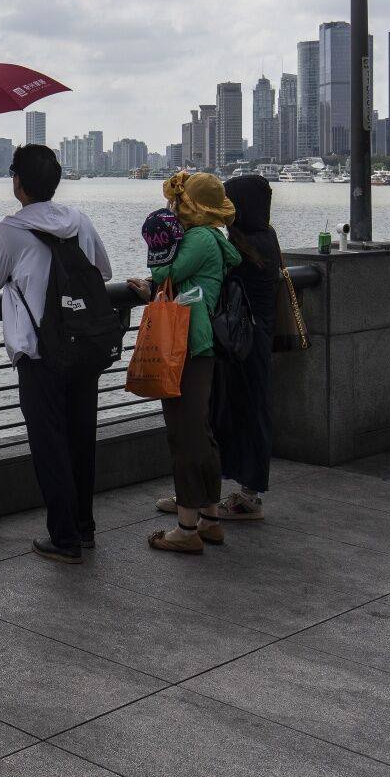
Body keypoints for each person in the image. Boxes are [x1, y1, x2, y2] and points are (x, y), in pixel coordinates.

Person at [0, 143, 116, 564]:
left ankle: (65, 538)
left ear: (18, 183)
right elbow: (103, 272)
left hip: (39, 355)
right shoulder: (78, 220)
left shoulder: (10, 231)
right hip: (83, 344)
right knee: (80, 439)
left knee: (50, 445)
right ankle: (85, 528)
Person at [125, 171, 238, 552]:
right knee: (199, 431)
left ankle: (187, 528)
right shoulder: (213, 237)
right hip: (196, 342)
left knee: (184, 433)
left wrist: (158, 248)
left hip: (186, 343)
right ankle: (209, 517)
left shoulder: (199, 238)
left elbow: (165, 273)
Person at [216, 173, 281, 518]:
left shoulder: (242, 245)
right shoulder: (266, 236)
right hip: (256, 339)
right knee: (251, 410)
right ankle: (243, 491)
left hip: (242, 343)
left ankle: (247, 497)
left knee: (246, 412)